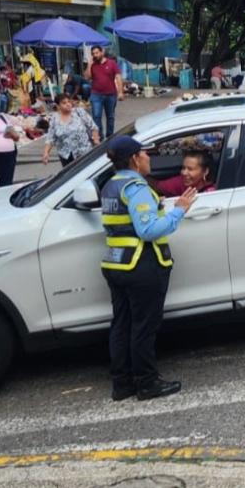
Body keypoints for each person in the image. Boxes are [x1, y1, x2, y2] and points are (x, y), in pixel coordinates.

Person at [100, 136, 197, 401]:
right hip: (141, 265)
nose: (149, 157)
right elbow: (149, 230)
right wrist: (179, 210)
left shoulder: (110, 185)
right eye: (145, 153)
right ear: (134, 159)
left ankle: (122, 384)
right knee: (143, 327)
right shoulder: (135, 186)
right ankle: (146, 383)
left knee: (122, 324)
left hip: (116, 263)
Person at [41, 92, 100, 167]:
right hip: (66, 156)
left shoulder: (79, 112)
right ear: (58, 106)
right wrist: (46, 153)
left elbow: (93, 127)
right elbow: (50, 138)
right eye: (64, 103)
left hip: (84, 151)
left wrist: (96, 140)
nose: (68, 104)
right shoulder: (54, 119)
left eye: (69, 101)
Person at [86, 45, 124, 139]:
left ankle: (110, 136)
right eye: (93, 54)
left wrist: (120, 92)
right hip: (96, 94)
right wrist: (89, 64)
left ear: (102, 52)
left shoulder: (111, 63)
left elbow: (118, 77)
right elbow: (87, 77)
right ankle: (99, 137)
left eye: (97, 53)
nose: (95, 55)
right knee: (96, 116)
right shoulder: (93, 65)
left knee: (110, 116)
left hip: (111, 94)